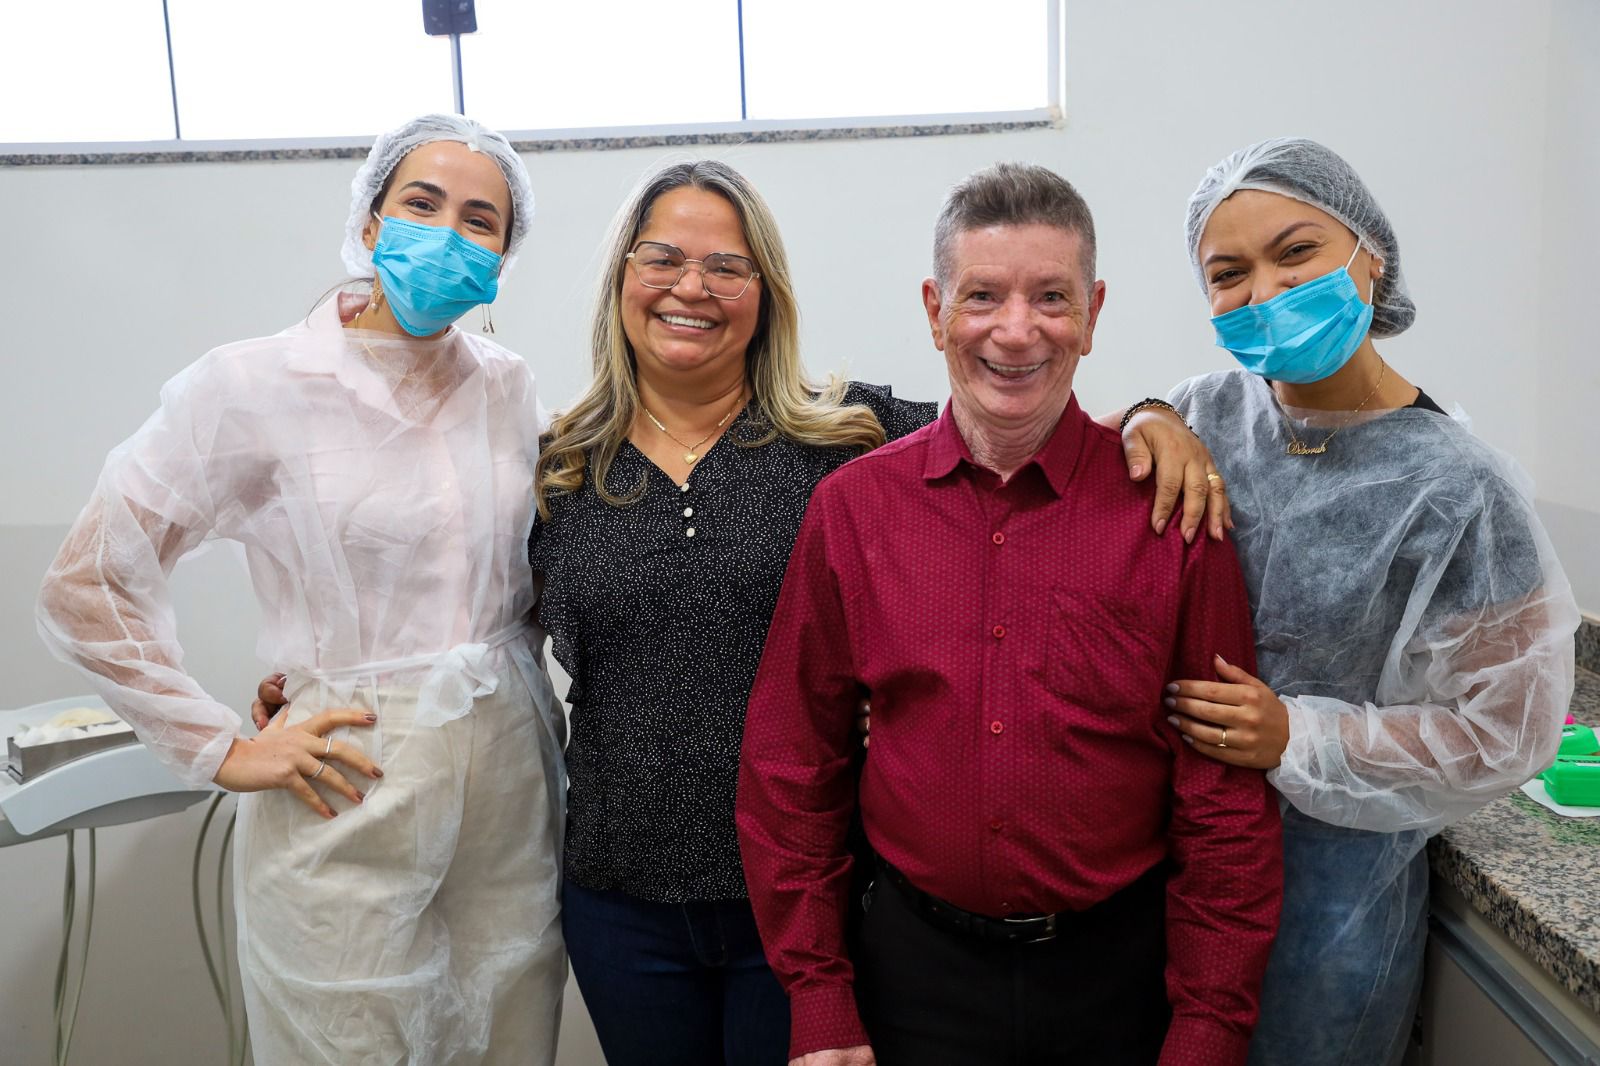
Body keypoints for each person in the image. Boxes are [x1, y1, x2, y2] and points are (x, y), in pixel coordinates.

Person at [524, 158, 1231, 1066]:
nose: (691, 287)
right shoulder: (556, 466)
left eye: (727, 266)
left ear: (765, 292)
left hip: (811, 906)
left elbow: (1009, 415)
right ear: (621, 274)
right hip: (625, 891)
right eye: (662, 258)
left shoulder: (840, 436)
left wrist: (1151, 416)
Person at [36, 114, 567, 1066]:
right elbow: (89, 581)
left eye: (479, 220)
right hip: (345, 777)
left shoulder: (508, 389)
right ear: (369, 222)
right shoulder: (253, 386)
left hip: (510, 785)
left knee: (511, 1032)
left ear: (502, 258)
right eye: (422, 204)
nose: (447, 233)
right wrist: (220, 746)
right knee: (345, 1039)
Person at [736, 162, 1283, 1066]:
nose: (1017, 330)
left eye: (1052, 297)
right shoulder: (854, 510)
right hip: (913, 977)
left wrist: (1208, 1030)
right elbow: (793, 763)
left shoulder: (1175, 512)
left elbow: (1222, 802)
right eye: (983, 295)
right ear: (936, 311)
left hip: (1121, 978)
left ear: (1093, 315)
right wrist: (819, 997)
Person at [1158, 137, 1579, 1066]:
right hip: (1175, 875)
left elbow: (1506, 732)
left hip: (1333, 899)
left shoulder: (1459, 486)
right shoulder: (1201, 414)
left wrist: (1298, 737)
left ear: (1370, 253)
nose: (1266, 290)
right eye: (1228, 273)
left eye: (1296, 252)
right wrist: (1148, 414)